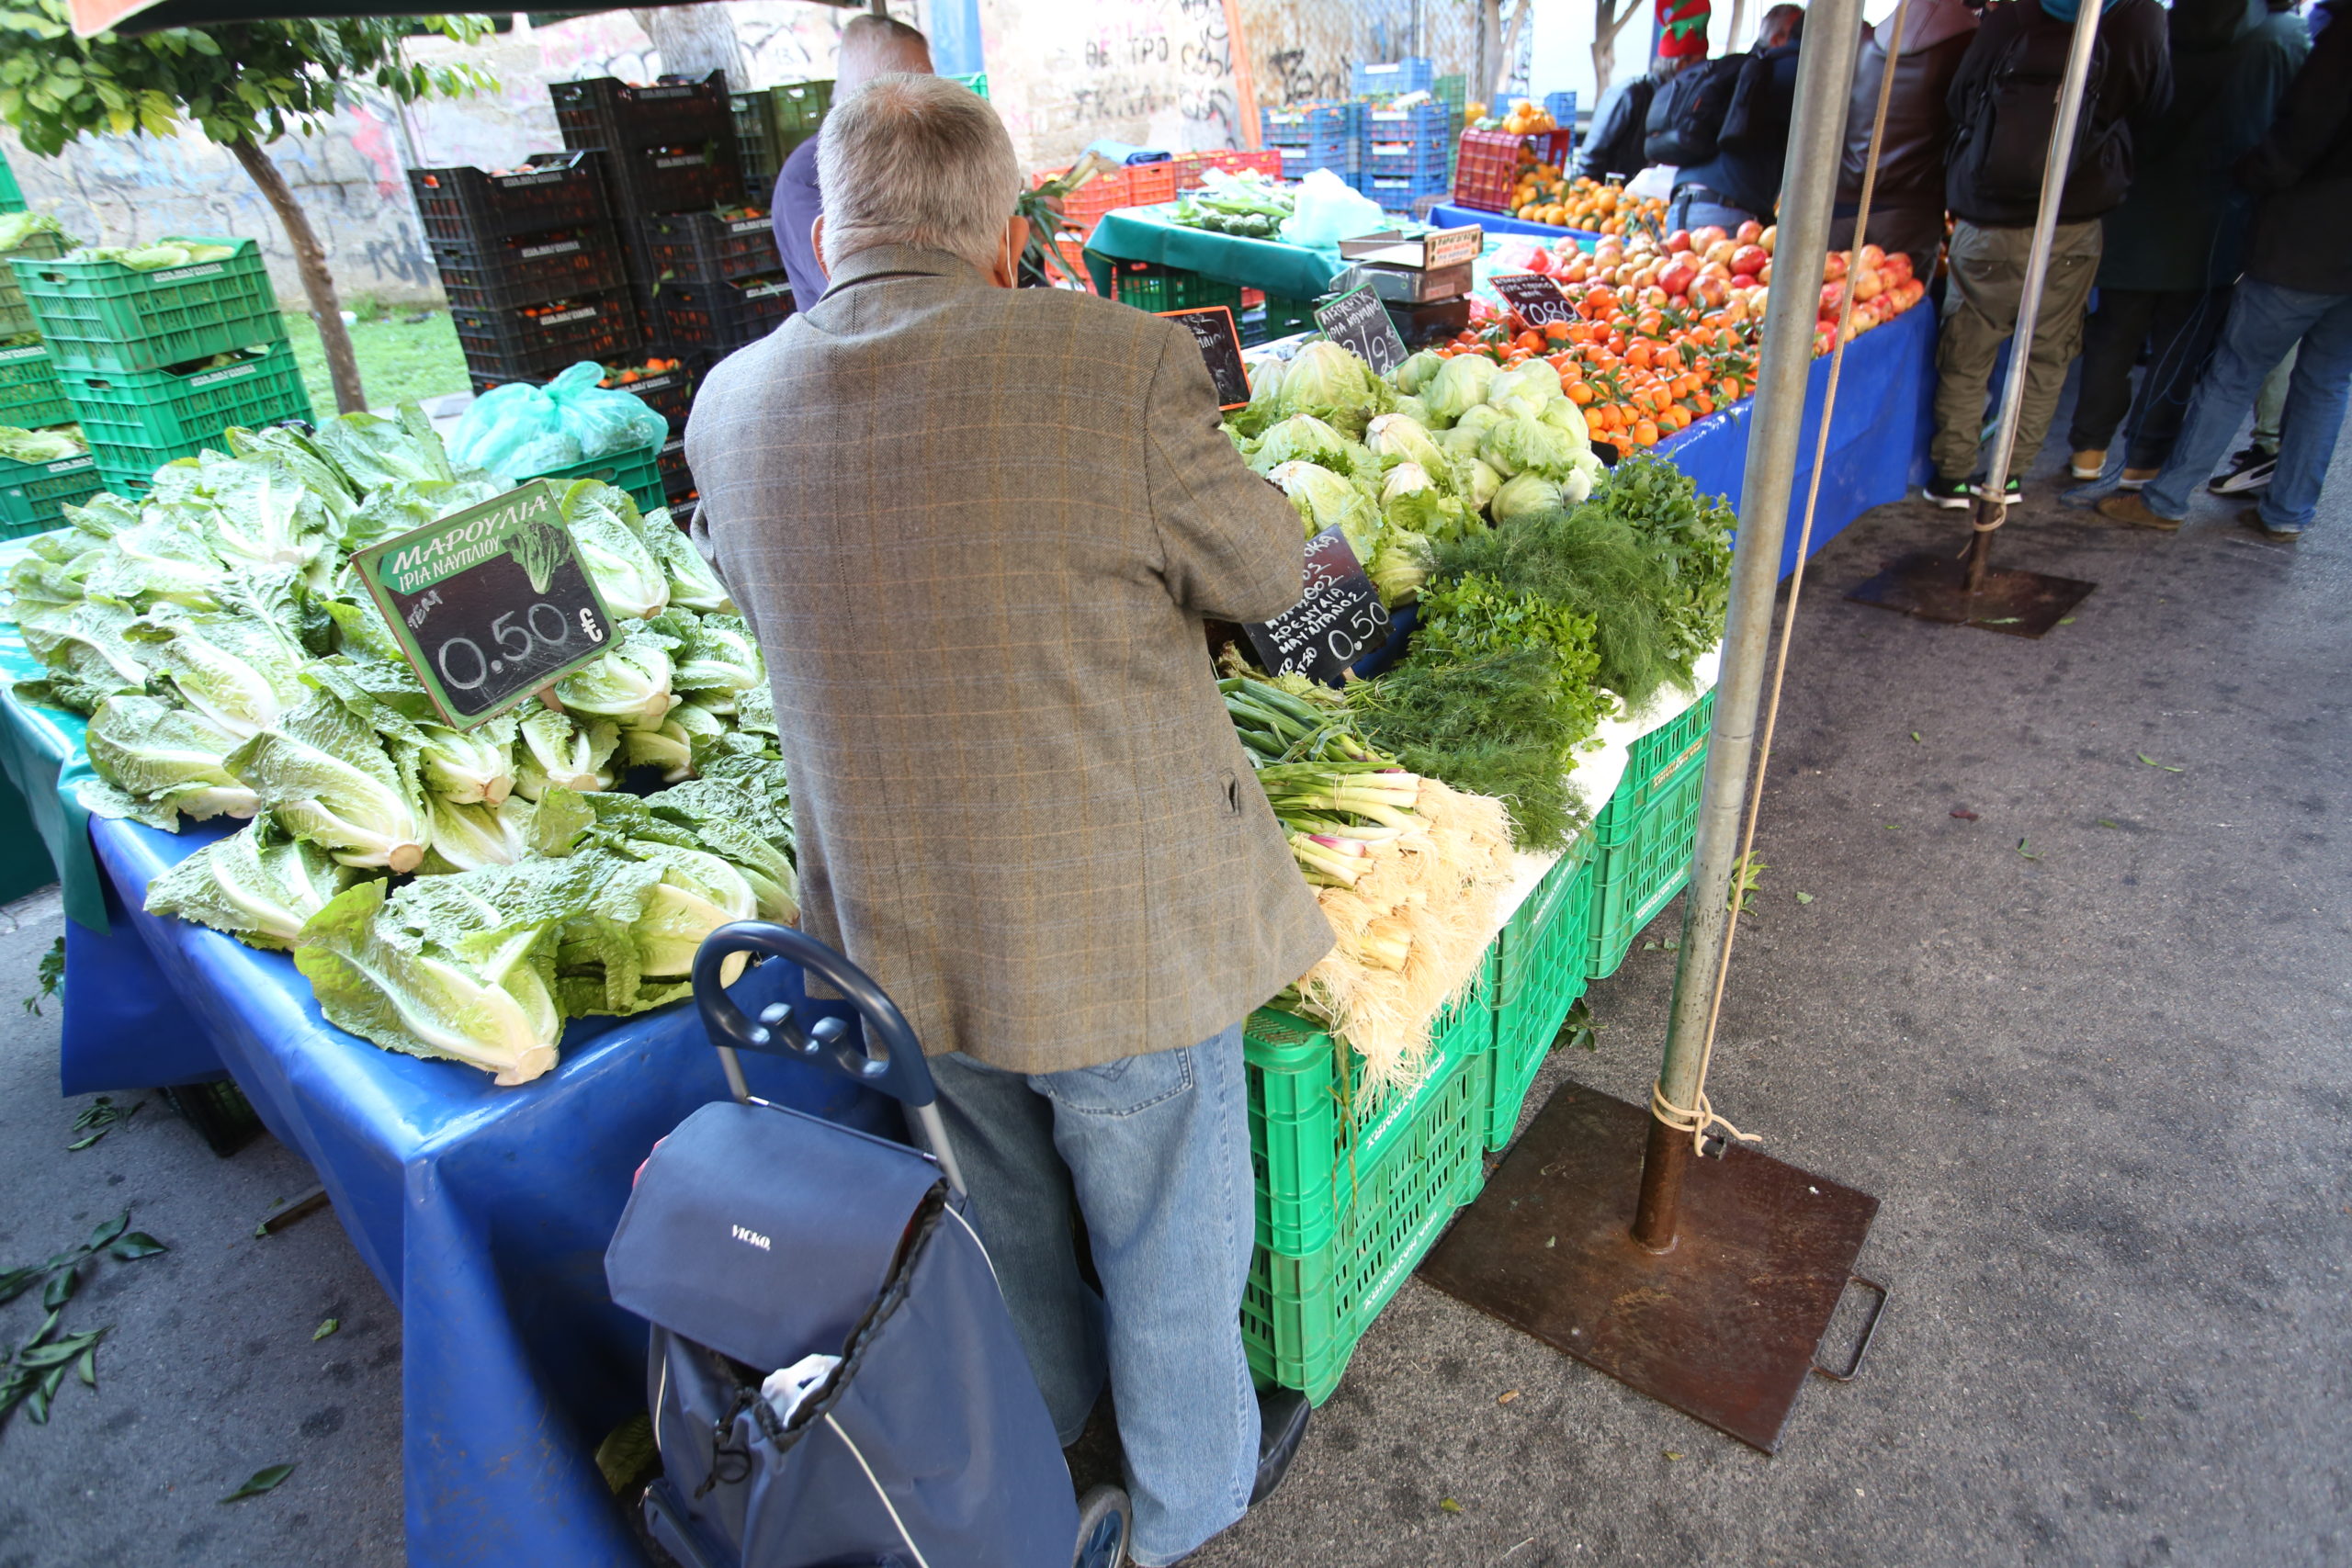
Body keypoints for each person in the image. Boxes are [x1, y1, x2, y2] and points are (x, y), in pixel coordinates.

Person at [688, 74, 1334, 1568]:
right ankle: (1186, 1509)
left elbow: (752, 591)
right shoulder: (1111, 367)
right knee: (1169, 1246)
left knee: (1003, 1219)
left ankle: (1043, 1451)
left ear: (830, 223)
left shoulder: (732, 403)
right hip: (1113, 927)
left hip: (899, 931)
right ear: (1003, 232)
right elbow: (1263, 575)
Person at [2098, 0, 2352, 539]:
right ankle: (2288, 512)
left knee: (2236, 371)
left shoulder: (2341, 37)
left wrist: (2253, 174)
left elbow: (2300, 135)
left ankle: (2165, 500)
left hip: (2308, 241)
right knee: (2327, 382)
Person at [1924, 0, 2170, 508]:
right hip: (2074, 217)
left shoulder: (2015, 13)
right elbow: (2155, 106)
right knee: (2046, 353)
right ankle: (2007, 477)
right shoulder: (2138, 16)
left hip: (1989, 215)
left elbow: (1960, 97)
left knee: (1967, 352)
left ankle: (1951, 475)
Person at [2064, 0, 2308, 490]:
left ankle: (2087, 453)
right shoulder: (2281, 37)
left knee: (2112, 335)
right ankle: (2143, 463)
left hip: (2135, 207)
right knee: (2179, 350)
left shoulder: (2150, 22)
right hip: (2216, 217)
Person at [770, 14, 933, 313]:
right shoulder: (807, 174)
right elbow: (859, 296)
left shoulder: (914, 157)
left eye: (928, 87)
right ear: (861, 90)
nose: (925, 105)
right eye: (907, 88)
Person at [1827, 0, 1980, 284]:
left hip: (1842, 202)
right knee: (1894, 312)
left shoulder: (1868, 40)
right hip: (1909, 211)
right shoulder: (1969, 42)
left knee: (1828, 313)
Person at [1668, 4, 1806, 234]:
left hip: (1681, 203)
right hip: (1725, 213)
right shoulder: (1794, 70)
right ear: (1777, 38)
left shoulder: (1741, 68)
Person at [1581, 34, 1706, 184]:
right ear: (1681, 65)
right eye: (1699, 67)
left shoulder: (1681, 103)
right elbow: (1589, 162)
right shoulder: (1628, 94)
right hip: (1608, 198)